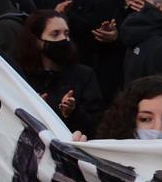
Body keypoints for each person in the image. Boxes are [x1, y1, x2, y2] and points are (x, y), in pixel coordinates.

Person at [14, 10, 104, 138]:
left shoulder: (84, 75)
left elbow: (97, 125)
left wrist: (73, 112)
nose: (63, 39)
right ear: (36, 40)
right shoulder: (21, 76)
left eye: (66, 33)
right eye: (55, 34)